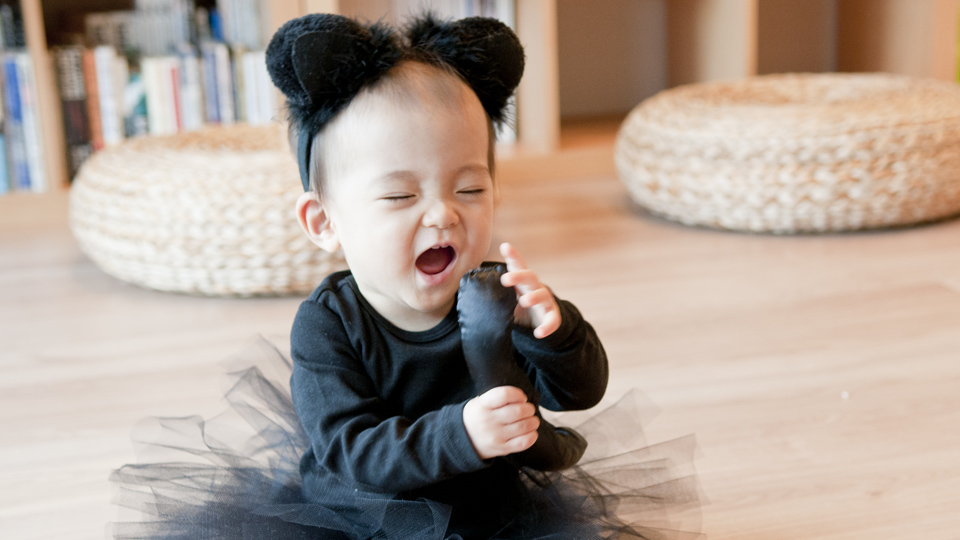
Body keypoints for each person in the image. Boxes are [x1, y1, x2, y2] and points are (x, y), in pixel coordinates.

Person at [109, 13, 701, 540]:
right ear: (324, 222)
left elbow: (578, 393)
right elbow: (353, 451)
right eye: (399, 195)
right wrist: (463, 433)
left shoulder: (496, 295)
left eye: (469, 189)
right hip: (363, 518)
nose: (443, 214)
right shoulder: (328, 326)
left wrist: (554, 332)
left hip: (489, 514)